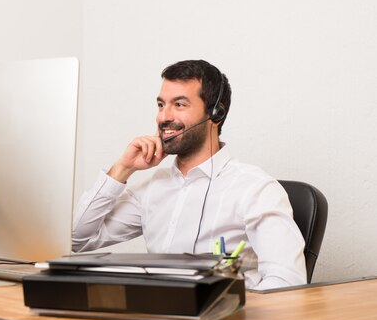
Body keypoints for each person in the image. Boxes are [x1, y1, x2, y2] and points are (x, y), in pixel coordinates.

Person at [72, 59, 306, 290]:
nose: (164, 117)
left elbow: (287, 285)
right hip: (159, 317)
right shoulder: (153, 187)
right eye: (161, 105)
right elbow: (78, 240)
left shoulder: (255, 189)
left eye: (179, 105)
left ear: (216, 114)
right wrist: (123, 168)